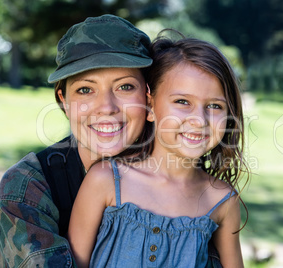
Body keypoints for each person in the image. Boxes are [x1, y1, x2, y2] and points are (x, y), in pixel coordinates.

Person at [0, 14, 153, 267]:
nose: (106, 107)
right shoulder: (29, 187)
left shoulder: (177, 177)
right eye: (85, 89)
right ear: (63, 101)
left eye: (125, 87)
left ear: (149, 96)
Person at [68, 33, 249, 268]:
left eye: (215, 106)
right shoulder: (106, 180)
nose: (199, 120)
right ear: (150, 107)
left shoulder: (221, 200)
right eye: (182, 102)